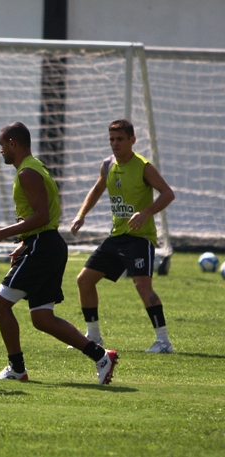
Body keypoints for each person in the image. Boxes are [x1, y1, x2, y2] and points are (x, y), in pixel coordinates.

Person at [0, 122, 118, 385]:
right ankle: (102, 356)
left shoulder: (27, 173)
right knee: (42, 318)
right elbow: (45, 216)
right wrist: (24, 241)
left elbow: (42, 214)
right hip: (46, 244)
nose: (0, 151)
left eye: (1, 145)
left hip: (43, 247)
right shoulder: (34, 166)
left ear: (13, 143)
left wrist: (4, 233)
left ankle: (16, 368)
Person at [70, 118, 176, 353]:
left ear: (132, 140)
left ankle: (163, 341)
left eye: (120, 139)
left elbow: (168, 194)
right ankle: (94, 337)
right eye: (111, 139)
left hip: (140, 238)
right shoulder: (108, 165)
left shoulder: (143, 166)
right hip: (117, 236)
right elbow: (98, 189)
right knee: (84, 280)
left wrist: (146, 212)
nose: (115, 144)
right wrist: (81, 214)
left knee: (142, 285)